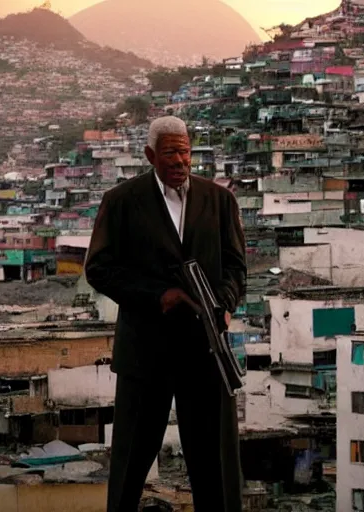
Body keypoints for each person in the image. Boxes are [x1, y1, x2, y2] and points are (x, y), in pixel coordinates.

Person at [84, 116, 247, 512]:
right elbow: (99, 269)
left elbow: (236, 268)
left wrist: (221, 304)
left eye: (185, 151)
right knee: (130, 465)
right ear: (150, 155)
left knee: (216, 467)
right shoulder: (121, 200)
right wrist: (159, 295)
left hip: (207, 352)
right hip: (146, 352)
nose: (180, 160)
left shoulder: (219, 200)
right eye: (171, 152)